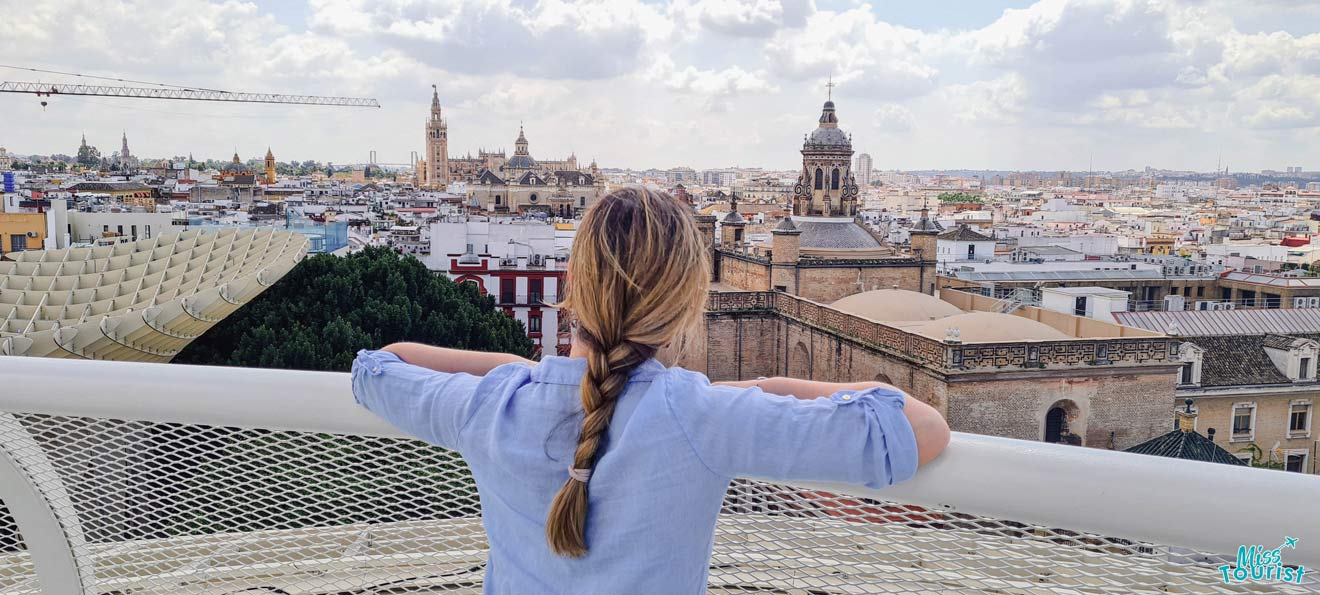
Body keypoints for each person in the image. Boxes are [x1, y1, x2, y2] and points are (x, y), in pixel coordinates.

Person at [351, 186, 950, 594]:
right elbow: (920, 428)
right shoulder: (705, 416)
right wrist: (763, 386)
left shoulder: (494, 404)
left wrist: (517, 370)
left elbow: (377, 367)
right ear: (687, 301)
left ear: (573, 284)